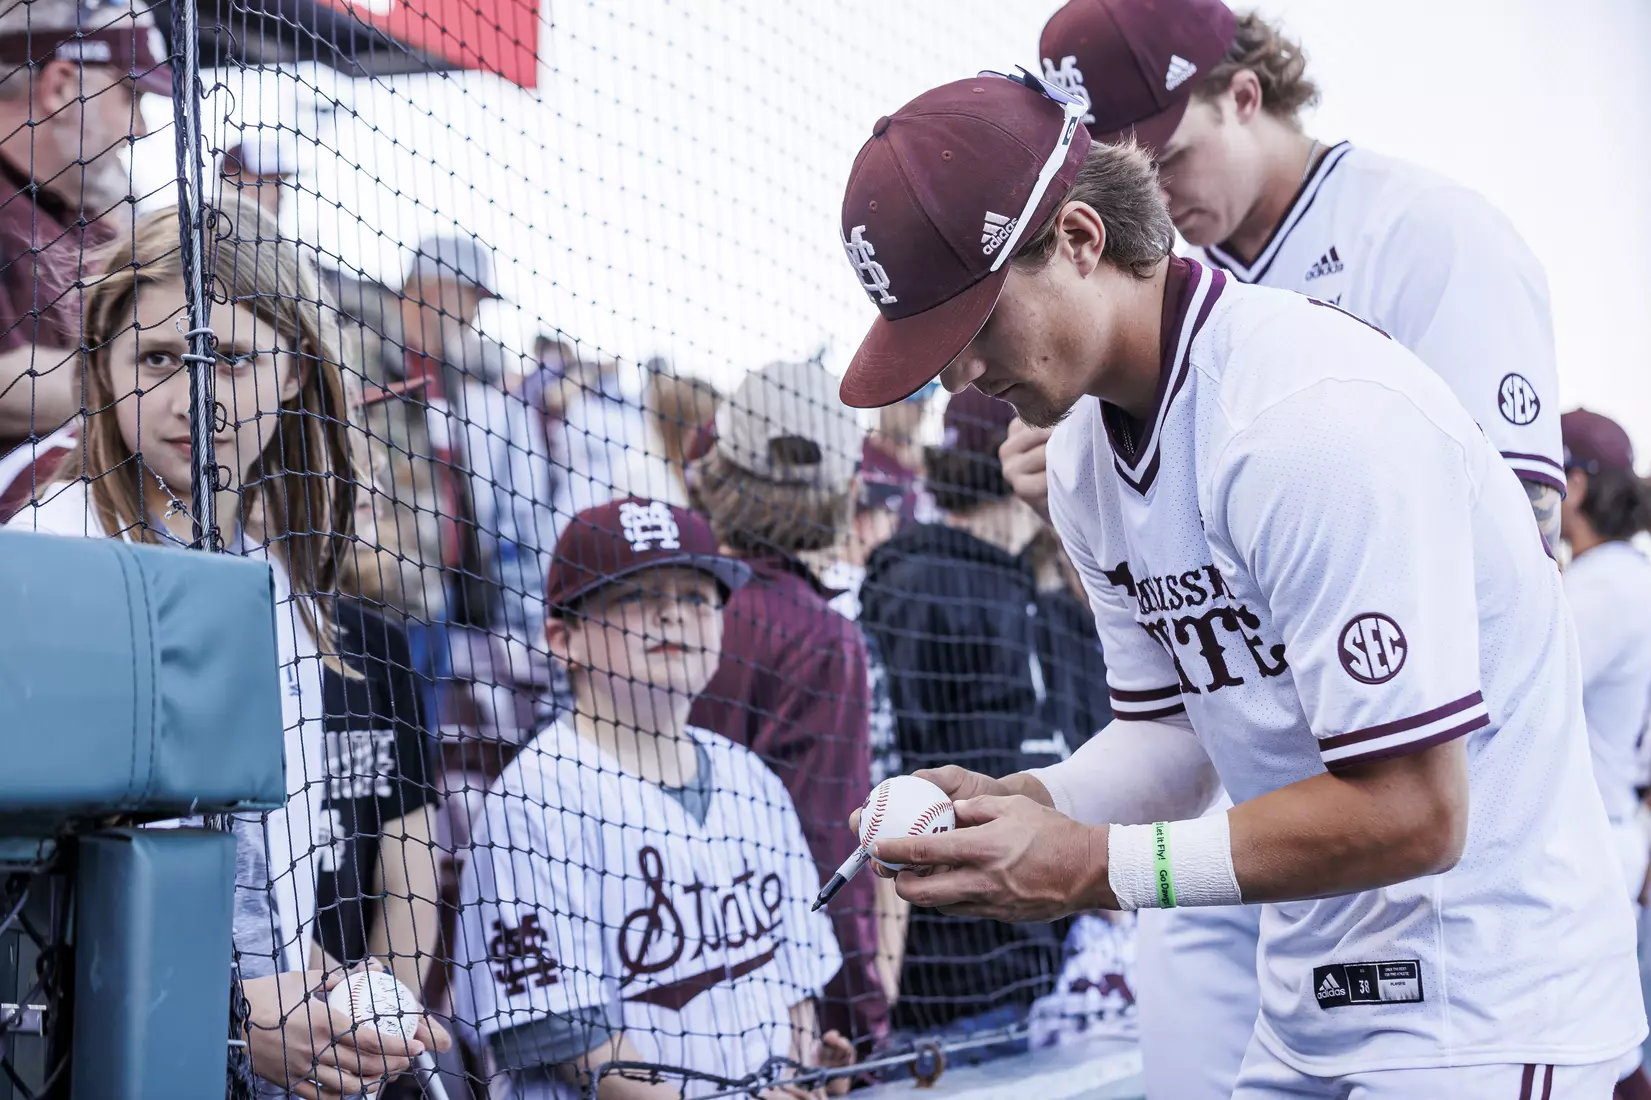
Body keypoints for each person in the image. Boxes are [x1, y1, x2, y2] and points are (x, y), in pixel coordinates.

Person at [833, 71, 1644, 1096]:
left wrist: (1086, 861)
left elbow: (1415, 813)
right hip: (1310, 991)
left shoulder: (1302, 415)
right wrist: (1027, 803)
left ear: (1081, 239)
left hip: (1483, 995)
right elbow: (1172, 736)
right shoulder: (1082, 454)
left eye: (973, 322)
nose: (959, 376)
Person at [1018, 2, 1574, 1093]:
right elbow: (1186, 671)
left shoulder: (1420, 230)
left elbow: (1516, 543)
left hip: (1455, 821)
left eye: (1169, 152)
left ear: (1242, 90)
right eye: (1122, 166)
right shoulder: (1155, 316)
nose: (1158, 193)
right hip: (1266, 817)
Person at [7, 198, 450, 1098]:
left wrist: (331, 999)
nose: (195, 396)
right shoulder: (48, 558)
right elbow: (37, 905)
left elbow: (259, 877)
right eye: (161, 358)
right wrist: (240, 1019)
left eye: (234, 358)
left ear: (295, 372)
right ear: (103, 367)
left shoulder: (282, 579)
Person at [451, 497, 853, 1098]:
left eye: (696, 597)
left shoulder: (751, 780)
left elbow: (797, 985)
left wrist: (801, 1074)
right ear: (565, 639)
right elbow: (572, 1045)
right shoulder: (534, 799)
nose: (674, 616)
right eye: (637, 596)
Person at [858, 386, 1109, 1056]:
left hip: (1045, 968)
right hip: (940, 990)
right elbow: (884, 775)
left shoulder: (1051, 604)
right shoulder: (919, 581)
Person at [685, 360, 890, 1051]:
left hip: (660, 973)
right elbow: (829, 842)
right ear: (845, 491)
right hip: (777, 1002)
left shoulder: (666, 607)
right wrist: (857, 1013)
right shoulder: (823, 636)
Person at [0, 0, 170, 512]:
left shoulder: (96, 221)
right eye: (131, 94)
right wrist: (153, 374)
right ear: (60, 84)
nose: (140, 126)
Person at [1558, 409, 1651, 1100]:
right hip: (1606, 834)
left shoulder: (1604, 586)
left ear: (1578, 487)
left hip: (1590, 849)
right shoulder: (1618, 575)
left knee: (1599, 1064)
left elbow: (1514, 692)